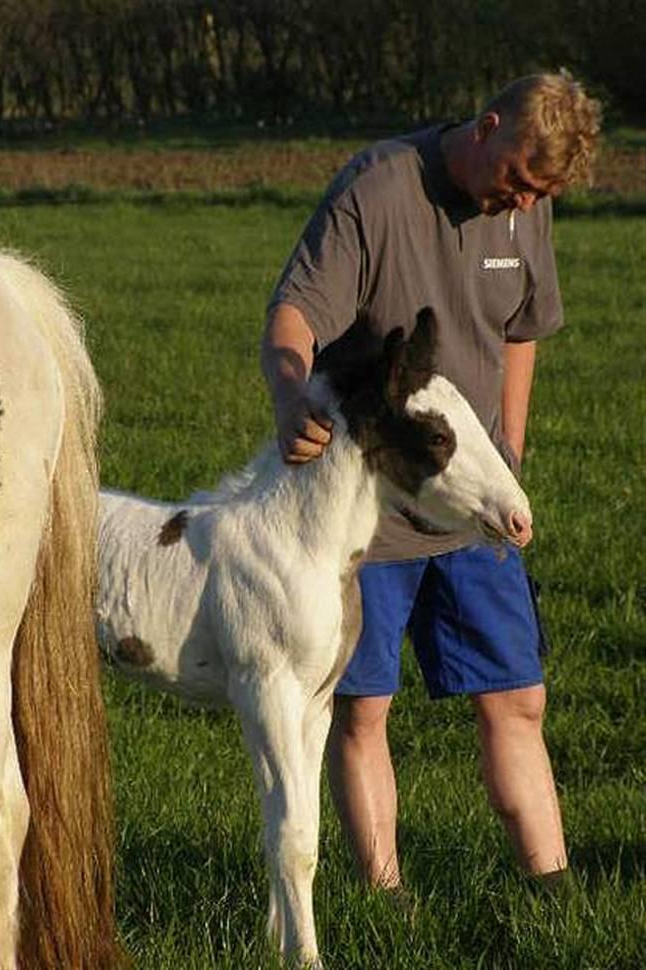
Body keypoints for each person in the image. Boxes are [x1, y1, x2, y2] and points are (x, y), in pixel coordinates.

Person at [260, 73, 601, 890]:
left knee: (518, 698)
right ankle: (385, 900)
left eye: (538, 193)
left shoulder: (523, 204)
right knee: (362, 708)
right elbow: (295, 313)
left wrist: (509, 443)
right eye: (516, 179)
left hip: (470, 500)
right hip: (372, 502)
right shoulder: (377, 191)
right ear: (485, 127)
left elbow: (521, 327)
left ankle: (551, 889)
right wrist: (289, 397)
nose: (521, 202)